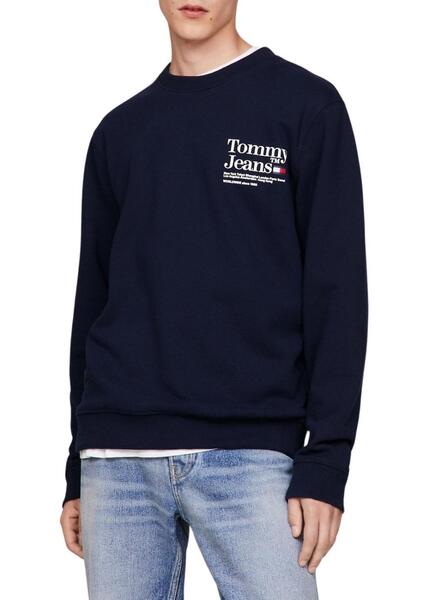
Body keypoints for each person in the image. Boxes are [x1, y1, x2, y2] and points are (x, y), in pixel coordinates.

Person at [60, 1, 368, 598]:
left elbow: (337, 292)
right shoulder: (119, 131)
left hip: (253, 456)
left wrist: (328, 461)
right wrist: (78, 464)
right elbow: (92, 302)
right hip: (117, 463)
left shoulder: (306, 106)